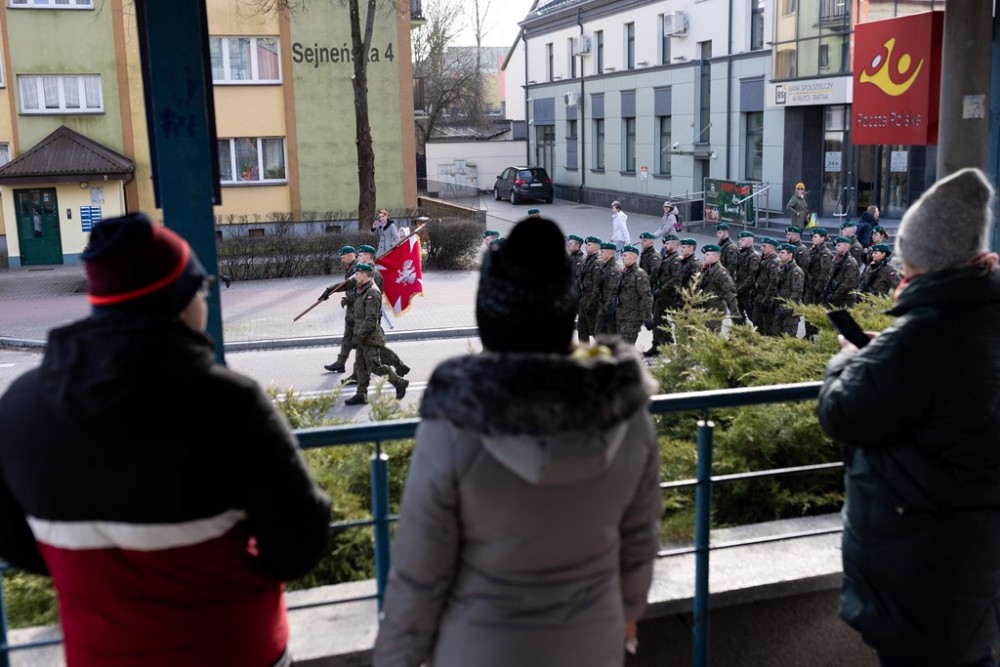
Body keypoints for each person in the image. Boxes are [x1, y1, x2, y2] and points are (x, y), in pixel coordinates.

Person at [0, 213, 332, 667]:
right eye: (203, 289)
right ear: (180, 298)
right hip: (233, 648)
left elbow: (14, 540)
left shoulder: (18, 406)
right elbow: (299, 544)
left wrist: (96, 573)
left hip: (101, 653)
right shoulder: (230, 404)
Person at [373, 216, 662, 667]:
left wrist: (396, 658)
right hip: (591, 643)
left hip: (479, 648)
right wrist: (626, 614)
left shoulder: (455, 422)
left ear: (489, 320)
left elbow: (419, 572)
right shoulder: (625, 410)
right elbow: (640, 541)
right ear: (565, 315)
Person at [817, 167, 1000, 667]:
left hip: (923, 555)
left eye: (907, 264)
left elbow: (842, 412)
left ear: (925, 263)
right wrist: (888, 354)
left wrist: (849, 359)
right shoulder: (980, 316)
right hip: (967, 545)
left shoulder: (929, 330)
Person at [343, 262, 409, 406]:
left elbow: (371, 320)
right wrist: (352, 318)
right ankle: (361, 394)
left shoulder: (372, 293)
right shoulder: (361, 289)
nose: (355, 276)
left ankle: (399, 383)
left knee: (374, 366)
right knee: (360, 365)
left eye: (357, 274)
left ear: (365, 275)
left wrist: (358, 337)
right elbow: (360, 309)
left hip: (370, 337)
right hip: (361, 334)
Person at [322, 245, 360, 373]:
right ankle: (340, 363)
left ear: (350, 255)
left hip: (359, 307)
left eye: (343, 257)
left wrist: (330, 289)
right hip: (351, 305)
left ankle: (378, 365)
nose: (342, 260)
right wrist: (329, 290)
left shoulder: (357, 268)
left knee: (365, 339)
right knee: (347, 335)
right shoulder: (350, 267)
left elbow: (349, 284)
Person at [648, 233, 680, 354]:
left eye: (667, 243)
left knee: (659, 320)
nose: (664, 246)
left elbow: (675, 279)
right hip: (662, 295)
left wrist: (661, 290)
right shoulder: (667, 257)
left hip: (669, 295)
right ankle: (666, 340)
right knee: (660, 319)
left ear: (675, 244)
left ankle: (657, 346)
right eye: (664, 244)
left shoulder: (676, 260)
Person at [616, 244, 653, 345]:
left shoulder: (639, 274)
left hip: (633, 318)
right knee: (620, 347)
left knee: (626, 347)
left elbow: (646, 296)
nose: (622, 258)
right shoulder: (625, 272)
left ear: (634, 256)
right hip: (621, 316)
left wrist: (648, 316)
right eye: (622, 255)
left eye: (625, 255)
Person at [697, 243, 738, 332]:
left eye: (707, 255)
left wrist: (735, 314)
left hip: (715, 310)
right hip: (707, 308)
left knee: (711, 335)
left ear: (715, 257)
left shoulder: (721, 272)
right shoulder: (709, 269)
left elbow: (730, 292)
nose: (704, 257)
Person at [771, 242, 804, 336]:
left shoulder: (796, 271)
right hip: (780, 306)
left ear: (790, 255)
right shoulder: (782, 268)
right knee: (775, 335)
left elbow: (797, 292)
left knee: (788, 336)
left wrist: (788, 307)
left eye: (782, 253)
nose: (779, 255)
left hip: (791, 309)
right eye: (779, 252)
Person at [751, 237, 780, 335]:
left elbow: (773, 282)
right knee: (756, 321)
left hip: (766, 297)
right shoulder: (763, 258)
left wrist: (767, 299)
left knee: (767, 323)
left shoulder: (775, 262)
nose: (761, 248)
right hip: (759, 295)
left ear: (772, 248)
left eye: (764, 246)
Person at [577, 236, 603, 344]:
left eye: (589, 245)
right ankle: (583, 351)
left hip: (592, 300)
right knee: (582, 329)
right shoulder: (588, 259)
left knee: (595, 330)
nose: (586, 247)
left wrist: (591, 304)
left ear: (597, 247)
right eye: (586, 245)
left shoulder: (598, 262)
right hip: (584, 298)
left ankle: (607, 350)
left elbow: (597, 286)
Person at [823, 236, 860, 310]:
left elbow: (848, 283)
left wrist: (835, 296)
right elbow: (831, 277)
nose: (835, 247)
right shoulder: (836, 259)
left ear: (846, 246)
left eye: (838, 245)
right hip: (835, 296)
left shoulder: (850, 262)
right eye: (836, 245)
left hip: (845, 299)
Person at [595, 240, 622, 336]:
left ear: (611, 253)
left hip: (610, 307)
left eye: (603, 251)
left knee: (611, 333)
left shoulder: (614, 269)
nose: (600, 253)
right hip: (603, 304)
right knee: (599, 333)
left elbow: (613, 291)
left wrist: (607, 309)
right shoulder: (604, 266)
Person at [734, 230, 760, 323]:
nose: (739, 241)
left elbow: (752, 277)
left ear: (750, 241)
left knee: (753, 318)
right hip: (738, 291)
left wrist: (739, 289)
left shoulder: (754, 256)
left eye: (742, 240)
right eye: (739, 239)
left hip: (747, 293)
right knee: (737, 317)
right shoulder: (740, 253)